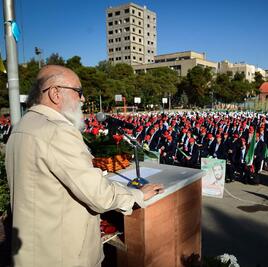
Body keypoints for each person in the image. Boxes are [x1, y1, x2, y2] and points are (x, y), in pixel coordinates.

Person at [5, 65, 164, 267]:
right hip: (64, 255)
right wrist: (137, 195)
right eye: (78, 91)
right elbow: (99, 195)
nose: (82, 99)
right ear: (55, 93)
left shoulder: (23, 125)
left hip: (34, 250)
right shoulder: (57, 131)